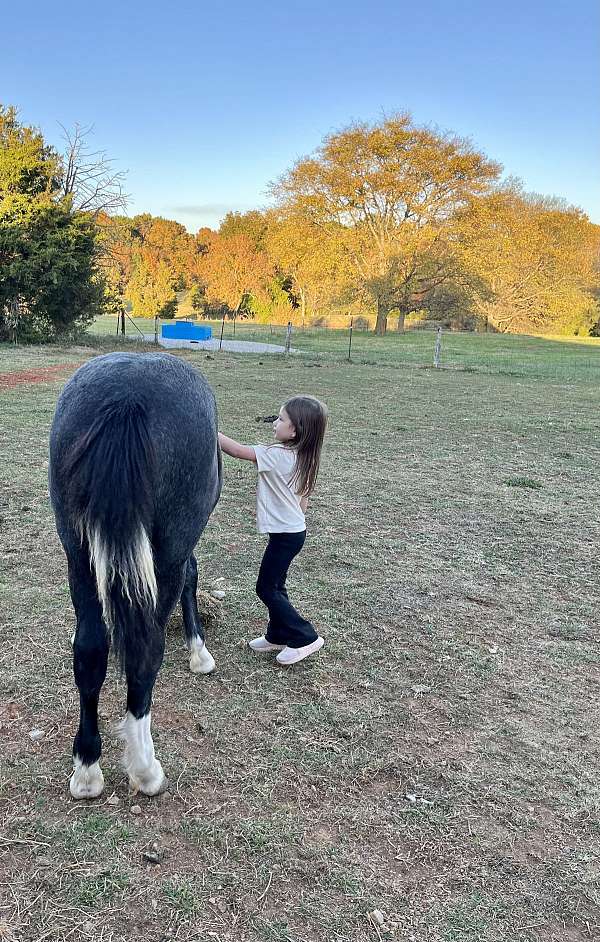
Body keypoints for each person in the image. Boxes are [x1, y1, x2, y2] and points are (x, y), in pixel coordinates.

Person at [218, 395, 328, 666]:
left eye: (281, 419)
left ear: (295, 430)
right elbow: (304, 498)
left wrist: (209, 427)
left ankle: (305, 636)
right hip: (292, 532)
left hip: (286, 536)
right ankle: (278, 633)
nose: (274, 424)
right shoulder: (305, 456)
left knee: (266, 588)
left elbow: (237, 451)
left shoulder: (278, 456)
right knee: (276, 585)